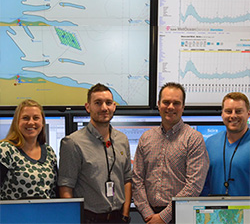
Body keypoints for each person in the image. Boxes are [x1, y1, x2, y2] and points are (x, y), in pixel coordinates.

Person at [132, 82, 209, 224]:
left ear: (183, 107)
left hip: (181, 215)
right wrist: (148, 214)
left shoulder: (194, 139)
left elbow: (194, 185)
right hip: (149, 217)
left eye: (176, 103)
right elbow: (137, 179)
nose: (171, 107)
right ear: (159, 104)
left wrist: (163, 217)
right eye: (166, 102)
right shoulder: (146, 138)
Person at [58, 83, 132, 223]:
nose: (104, 108)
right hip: (89, 219)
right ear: (88, 107)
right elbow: (66, 187)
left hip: (119, 218)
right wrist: (72, 219)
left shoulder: (122, 139)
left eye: (108, 103)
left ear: (114, 106)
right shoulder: (72, 143)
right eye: (98, 103)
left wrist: (125, 214)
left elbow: (127, 179)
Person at [0, 99, 58, 199]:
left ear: (42, 123)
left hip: (46, 213)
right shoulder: (5, 151)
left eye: (36, 118)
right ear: (17, 122)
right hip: (13, 213)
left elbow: (55, 191)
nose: (31, 122)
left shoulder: (49, 152)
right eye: (25, 118)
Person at [201, 92, 250, 196]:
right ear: (222, 114)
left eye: (238, 111)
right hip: (215, 211)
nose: (233, 116)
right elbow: (203, 184)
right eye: (228, 111)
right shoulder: (210, 143)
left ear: (248, 114)